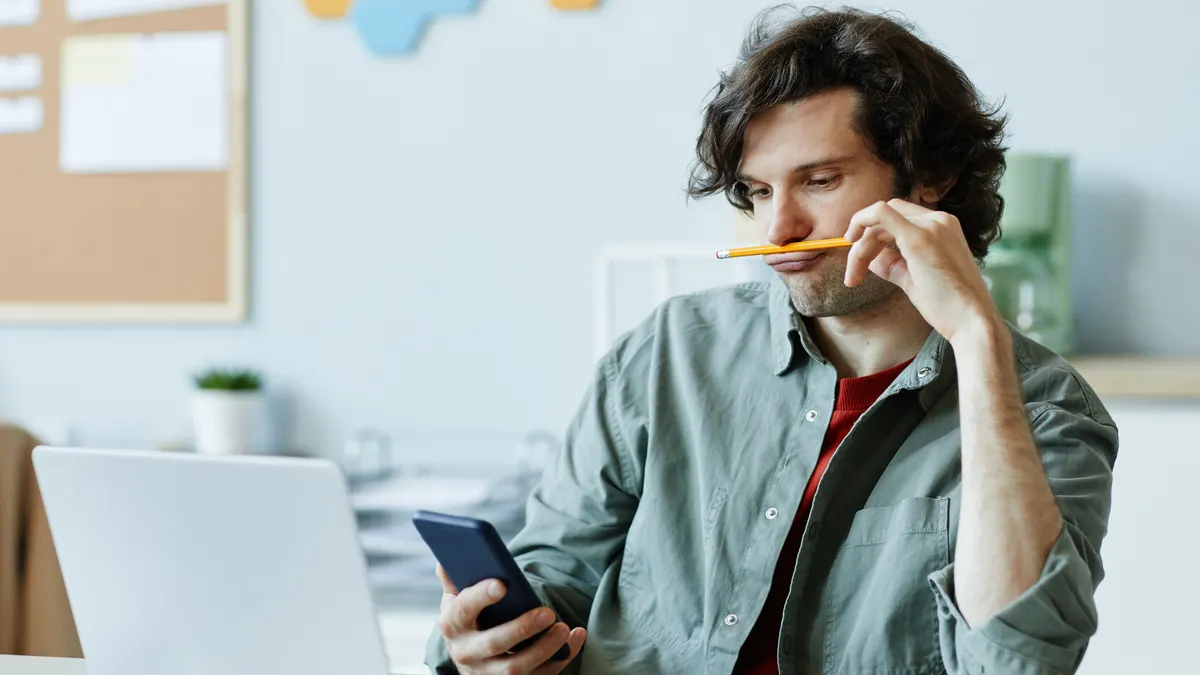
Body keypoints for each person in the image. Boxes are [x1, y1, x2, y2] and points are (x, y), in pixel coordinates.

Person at [425, 6, 1118, 675]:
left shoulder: (1047, 407)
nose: (777, 229)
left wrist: (976, 336)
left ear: (932, 179)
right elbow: (558, 574)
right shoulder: (670, 350)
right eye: (758, 191)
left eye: (819, 180)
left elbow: (1017, 659)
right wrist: (489, 640)